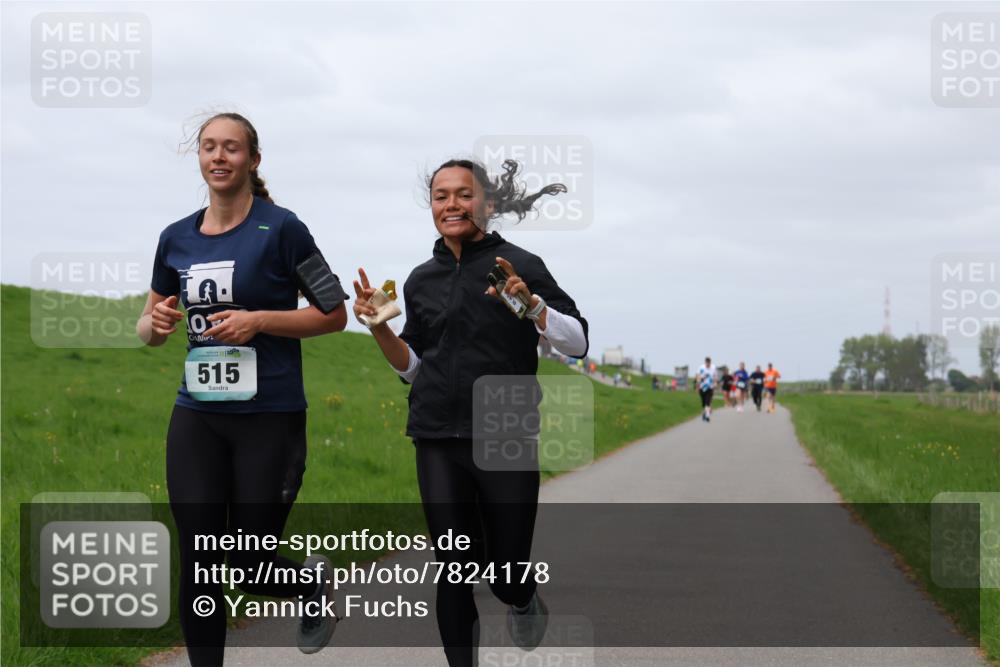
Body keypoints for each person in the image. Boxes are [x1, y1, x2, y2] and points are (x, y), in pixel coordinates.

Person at [352, 158, 588, 666]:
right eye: (441, 196)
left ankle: (521, 596)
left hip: (505, 431)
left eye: (463, 194)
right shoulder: (420, 279)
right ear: (432, 205)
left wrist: (534, 307)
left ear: (488, 204)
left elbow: (579, 341)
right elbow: (413, 367)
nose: (451, 204)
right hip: (437, 435)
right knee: (454, 567)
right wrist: (379, 328)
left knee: (504, 573)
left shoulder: (521, 264)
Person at [137, 112, 349, 666]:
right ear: (200, 158)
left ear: (253, 160)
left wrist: (260, 320)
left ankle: (308, 586)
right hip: (198, 416)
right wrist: (153, 327)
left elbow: (334, 314)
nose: (219, 156)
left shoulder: (284, 228)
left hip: (270, 417)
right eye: (209, 147)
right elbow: (150, 327)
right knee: (200, 556)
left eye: (231, 148)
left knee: (252, 564)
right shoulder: (175, 237)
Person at [695, 357, 716, 422]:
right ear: (705, 362)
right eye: (707, 363)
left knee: (708, 402)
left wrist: (715, 383)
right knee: (703, 402)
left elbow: (715, 377)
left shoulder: (713, 368)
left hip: (710, 387)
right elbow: (697, 376)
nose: (708, 364)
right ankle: (704, 413)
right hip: (702, 387)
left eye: (709, 363)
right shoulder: (701, 367)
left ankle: (707, 416)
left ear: (710, 362)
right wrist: (697, 386)